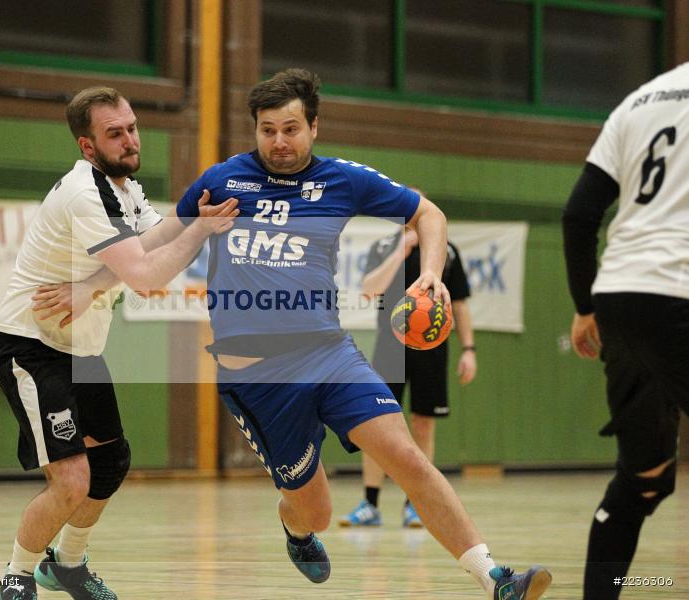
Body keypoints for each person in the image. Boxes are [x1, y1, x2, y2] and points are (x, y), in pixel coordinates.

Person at [170, 68, 549, 598]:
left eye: (291, 128)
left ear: (314, 126)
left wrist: (431, 274)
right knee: (316, 511)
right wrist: (98, 279)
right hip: (259, 377)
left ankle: (494, 577)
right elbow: (153, 245)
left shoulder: (342, 180)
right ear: (254, 129)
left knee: (408, 457)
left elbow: (429, 213)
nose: (278, 141)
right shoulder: (221, 181)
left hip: (329, 353)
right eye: (267, 130)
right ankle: (296, 527)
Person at [0, 86, 237, 600]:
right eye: (114, 133)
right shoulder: (86, 192)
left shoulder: (122, 187)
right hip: (30, 345)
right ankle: (16, 576)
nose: (129, 140)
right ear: (87, 145)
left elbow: (151, 238)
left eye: (132, 127)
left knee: (112, 461)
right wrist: (203, 232)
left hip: (79, 348)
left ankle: (68, 566)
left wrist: (192, 222)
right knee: (73, 479)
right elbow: (146, 276)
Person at [562, 62, 688, 600]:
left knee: (645, 478)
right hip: (679, 289)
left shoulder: (641, 99)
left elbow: (579, 214)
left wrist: (587, 304)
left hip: (621, 296)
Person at [340, 227, 477, 529]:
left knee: (423, 422)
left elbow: (460, 304)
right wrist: (399, 251)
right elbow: (368, 289)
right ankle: (370, 504)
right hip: (389, 348)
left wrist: (469, 349)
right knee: (375, 425)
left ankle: (415, 505)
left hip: (431, 348)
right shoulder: (384, 246)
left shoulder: (446, 250)